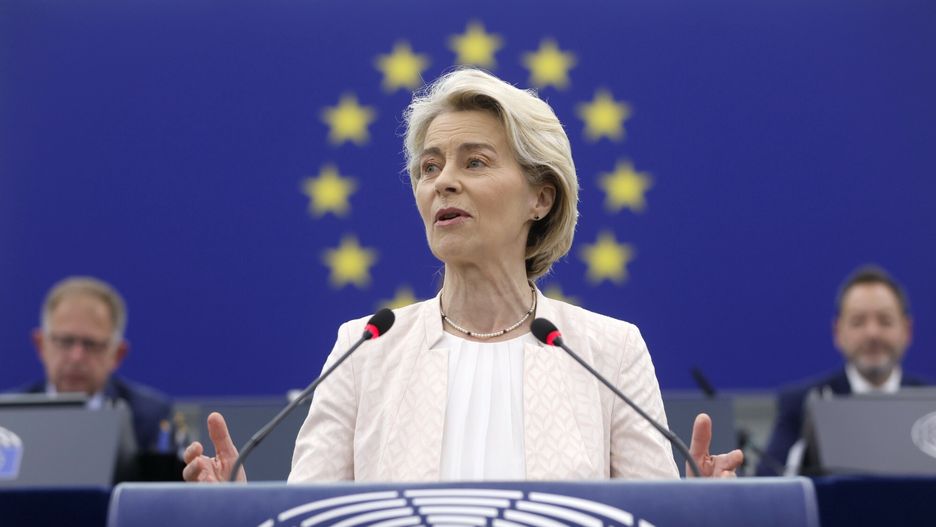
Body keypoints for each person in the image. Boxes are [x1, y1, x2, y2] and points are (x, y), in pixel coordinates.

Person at [183, 68, 742, 483]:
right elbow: (312, 517)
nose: (443, 182)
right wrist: (240, 510)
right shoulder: (366, 347)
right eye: (430, 167)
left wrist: (691, 512)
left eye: (474, 161)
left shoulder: (608, 350)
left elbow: (648, 516)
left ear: (540, 197)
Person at [757, 265, 928, 476]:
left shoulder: (931, 406)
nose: (872, 333)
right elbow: (768, 485)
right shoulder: (802, 404)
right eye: (858, 322)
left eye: (885, 321)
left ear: (907, 330)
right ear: (838, 332)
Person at [21, 276, 175, 455]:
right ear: (41, 345)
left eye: (91, 345)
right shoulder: (7, 419)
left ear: (117, 355)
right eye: (65, 341)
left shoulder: (148, 420)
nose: (77, 357)